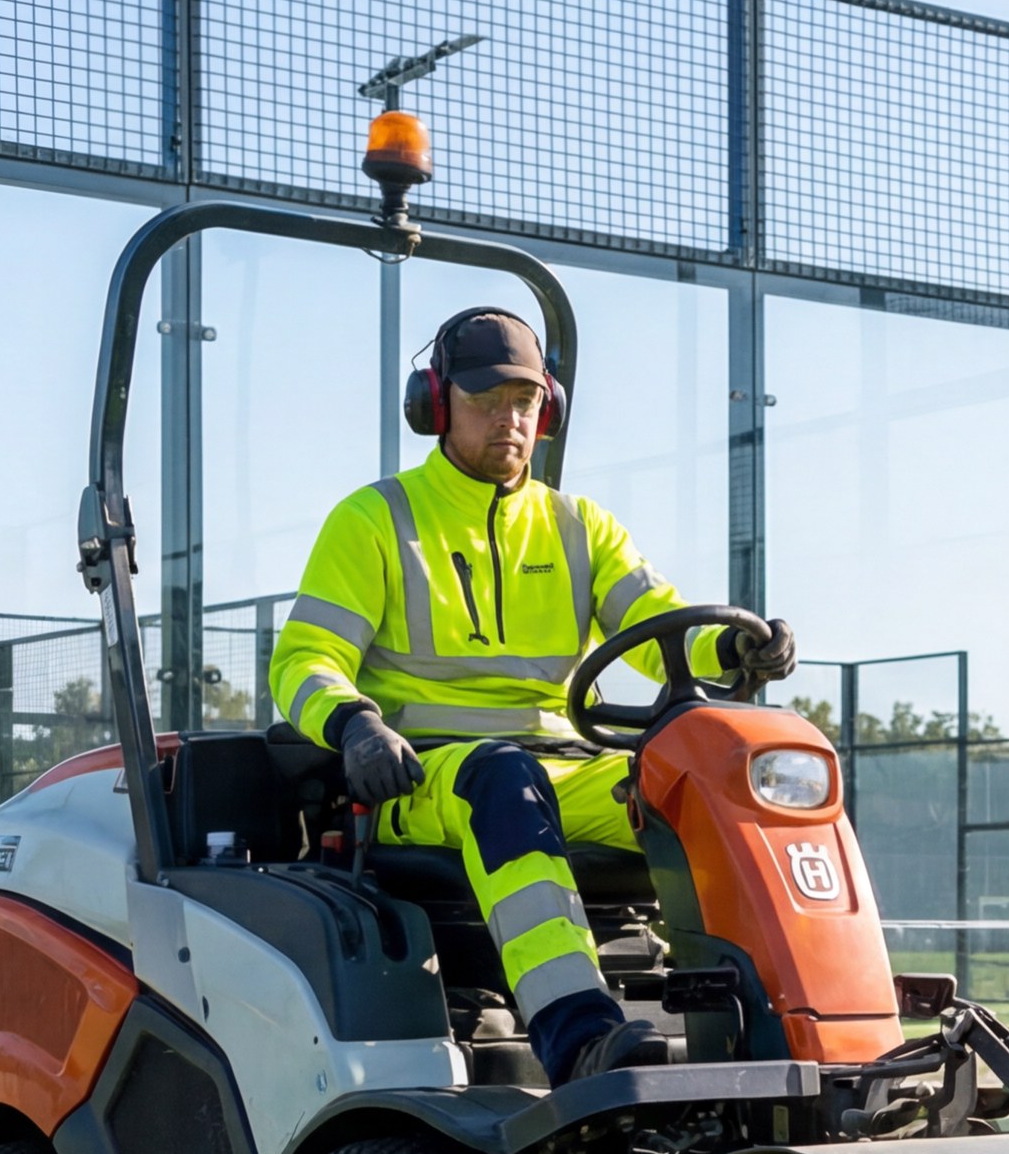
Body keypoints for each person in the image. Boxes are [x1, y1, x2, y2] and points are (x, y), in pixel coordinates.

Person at [270, 307, 796, 1081]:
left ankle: (797, 1027)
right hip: (430, 778)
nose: (508, 421)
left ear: (545, 410)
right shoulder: (375, 521)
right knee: (506, 782)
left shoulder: (580, 526)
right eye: (486, 402)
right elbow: (304, 659)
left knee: (718, 782)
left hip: (563, 770)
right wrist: (353, 726)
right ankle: (579, 1037)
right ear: (436, 406)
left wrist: (737, 645)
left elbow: (661, 634)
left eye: (523, 403)